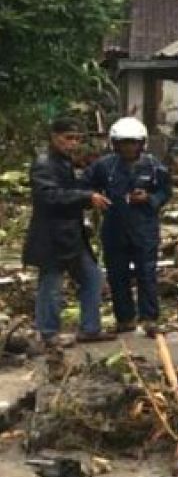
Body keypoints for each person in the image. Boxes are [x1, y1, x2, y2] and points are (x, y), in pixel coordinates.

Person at [23, 117, 117, 346]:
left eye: (76, 139)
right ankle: (48, 333)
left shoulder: (64, 163)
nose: (73, 143)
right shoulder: (44, 164)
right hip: (51, 236)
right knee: (51, 283)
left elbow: (67, 194)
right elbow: (49, 196)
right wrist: (86, 197)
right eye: (68, 138)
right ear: (54, 137)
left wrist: (89, 198)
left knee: (92, 277)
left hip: (71, 235)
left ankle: (90, 329)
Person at [84, 117, 172, 337]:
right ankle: (124, 319)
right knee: (117, 274)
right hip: (114, 228)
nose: (129, 147)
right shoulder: (104, 166)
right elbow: (86, 185)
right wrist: (94, 197)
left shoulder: (154, 166)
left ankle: (149, 318)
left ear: (141, 143)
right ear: (115, 143)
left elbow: (165, 192)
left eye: (133, 142)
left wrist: (150, 199)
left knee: (147, 273)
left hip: (144, 229)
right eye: (124, 143)